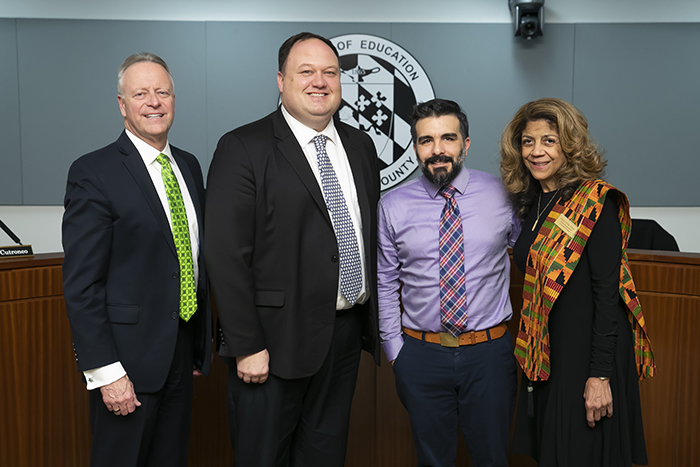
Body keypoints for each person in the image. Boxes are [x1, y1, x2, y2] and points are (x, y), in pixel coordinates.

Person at [205, 32, 380, 467]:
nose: (319, 81)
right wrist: (246, 344)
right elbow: (225, 255)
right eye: (306, 71)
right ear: (281, 80)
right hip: (272, 342)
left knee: (325, 456)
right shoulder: (243, 147)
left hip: (342, 335)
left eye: (329, 73)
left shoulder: (360, 146)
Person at [62, 52, 211, 467]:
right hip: (125, 365)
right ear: (122, 104)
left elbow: (193, 258)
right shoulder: (94, 171)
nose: (154, 102)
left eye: (162, 92)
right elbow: (81, 286)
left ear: (174, 100)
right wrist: (108, 374)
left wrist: (199, 345)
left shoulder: (189, 166)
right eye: (141, 93)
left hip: (179, 355)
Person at [499, 97, 656, 466]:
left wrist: (599, 377)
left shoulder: (595, 202)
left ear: (569, 144)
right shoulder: (534, 202)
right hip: (549, 356)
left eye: (549, 141)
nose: (536, 152)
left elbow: (607, 296)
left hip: (588, 360)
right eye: (528, 141)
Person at [377, 98, 520, 467]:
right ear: (415, 148)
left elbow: (533, 259)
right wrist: (397, 353)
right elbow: (385, 282)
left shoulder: (504, 196)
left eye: (448, 138)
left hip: (488, 353)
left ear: (466, 144)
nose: (437, 150)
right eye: (426, 141)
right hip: (421, 355)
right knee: (432, 461)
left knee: (492, 458)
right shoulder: (392, 205)